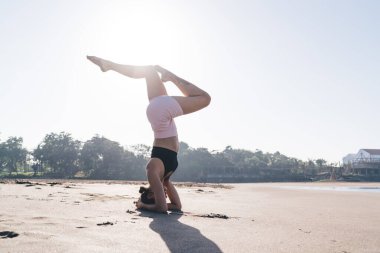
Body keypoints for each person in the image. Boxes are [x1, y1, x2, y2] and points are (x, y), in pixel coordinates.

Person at [87, 56, 211, 213]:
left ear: (152, 194)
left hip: (160, 114)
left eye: (159, 196)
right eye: (164, 196)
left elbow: (161, 209)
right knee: (149, 71)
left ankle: (169, 76)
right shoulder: (164, 178)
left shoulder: (152, 171)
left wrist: (143, 205)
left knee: (205, 99)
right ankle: (109, 65)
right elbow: (177, 207)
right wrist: (162, 195)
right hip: (160, 114)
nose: (165, 196)